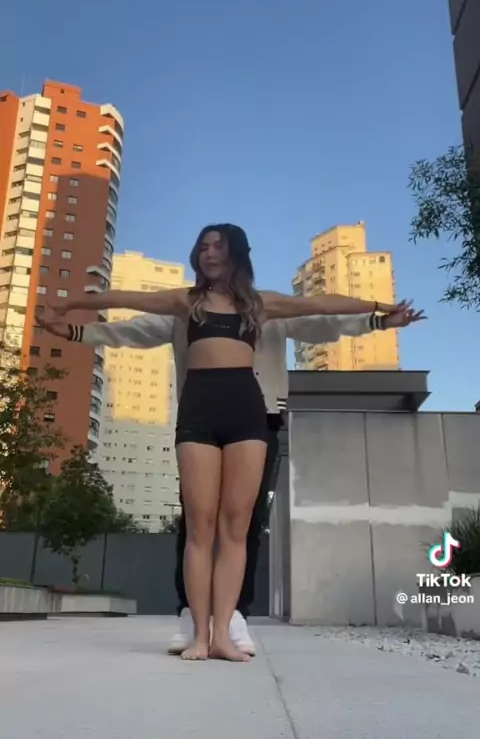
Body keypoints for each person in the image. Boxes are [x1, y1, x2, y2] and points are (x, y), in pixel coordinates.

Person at [40, 223, 419, 662]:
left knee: (240, 525)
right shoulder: (185, 303)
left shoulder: (261, 306)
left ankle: (228, 625)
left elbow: (320, 309)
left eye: (218, 246)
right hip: (199, 408)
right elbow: (128, 309)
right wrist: (69, 312)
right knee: (198, 525)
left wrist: (380, 313)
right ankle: (197, 627)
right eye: (202, 246)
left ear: (236, 253)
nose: (209, 253)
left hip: (253, 410)